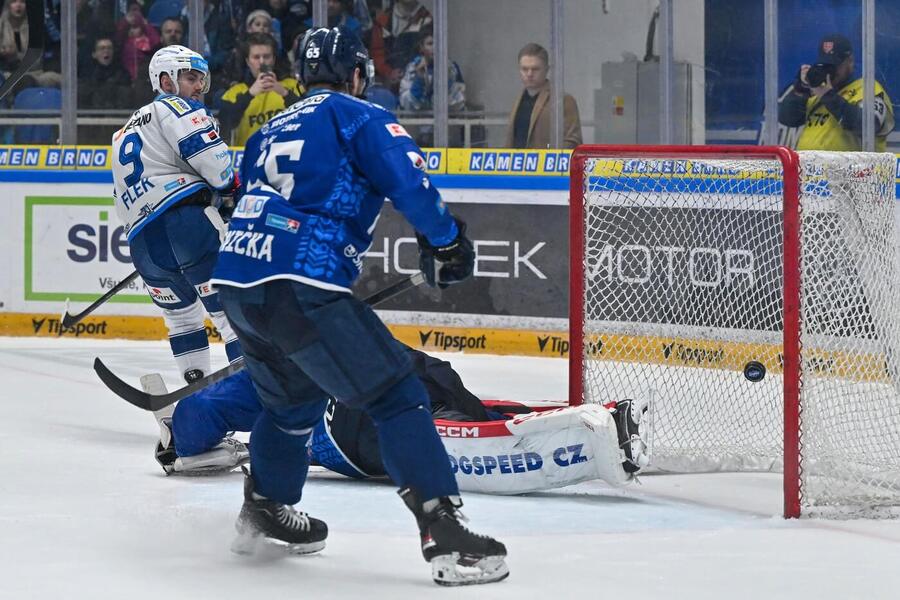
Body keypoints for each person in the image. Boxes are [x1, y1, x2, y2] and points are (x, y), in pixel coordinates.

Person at [209, 26, 507, 586]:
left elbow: (241, 197)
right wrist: (444, 240)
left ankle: (264, 507)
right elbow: (409, 183)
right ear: (356, 75)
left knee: (292, 400)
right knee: (395, 393)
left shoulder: (268, 127)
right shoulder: (358, 115)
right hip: (302, 280)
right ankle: (445, 531)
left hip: (238, 281)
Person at [149, 344, 650, 496]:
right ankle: (588, 424)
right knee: (451, 403)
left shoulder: (268, 369)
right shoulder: (330, 316)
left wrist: (178, 437)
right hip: (410, 367)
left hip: (350, 424)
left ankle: (585, 437)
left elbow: (207, 413)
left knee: (433, 428)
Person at [111, 45, 243, 398]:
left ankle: (195, 395)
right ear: (165, 80)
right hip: (188, 225)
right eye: (190, 77)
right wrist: (232, 190)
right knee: (232, 313)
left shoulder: (122, 132)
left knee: (182, 319)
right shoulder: (176, 106)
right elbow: (216, 166)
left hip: (143, 244)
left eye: (201, 78)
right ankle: (255, 400)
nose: (199, 86)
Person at [778, 33, 894, 151]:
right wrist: (800, 90)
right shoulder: (819, 91)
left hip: (854, 169)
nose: (830, 71)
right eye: (826, 65)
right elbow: (787, 119)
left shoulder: (868, 88)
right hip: (811, 167)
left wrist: (827, 95)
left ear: (850, 61)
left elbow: (867, 125)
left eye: (834, 65)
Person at [217, 32, 303, 146]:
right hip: (248, 159)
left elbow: (309, 117)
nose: (262, 62)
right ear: (248, 61)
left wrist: (284, 93)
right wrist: (250, 94)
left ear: (273, 59)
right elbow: (226, 124)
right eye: (256, 57)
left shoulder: (292, 86)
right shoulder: (235, 92)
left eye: (266, 56)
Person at [504, 42, 582, 149]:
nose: (529, 74)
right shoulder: (519, 100)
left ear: (546, 70)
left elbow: (573, 142)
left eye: (535, 69)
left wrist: (548, 156)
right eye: (525, 69)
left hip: (547, 163)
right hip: (518, 163)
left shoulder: (562, 100)